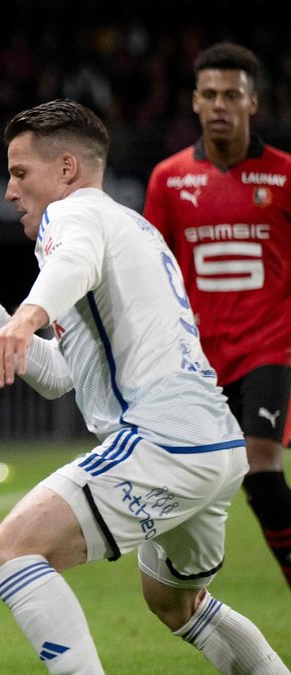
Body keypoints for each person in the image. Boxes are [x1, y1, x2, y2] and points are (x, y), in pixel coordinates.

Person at [0, 99, 287, 674]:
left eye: (19, 173)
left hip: (165, 437)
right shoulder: (131, 228)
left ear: (66, 169)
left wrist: (24, 321)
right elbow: (60, 377)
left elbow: (70, 260)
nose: (9, 191)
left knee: (7, 551)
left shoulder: (72, 216)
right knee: (176, 603)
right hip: (214, 443)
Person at [142, 42, 291, 593]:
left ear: (254, 102)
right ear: (194, 102)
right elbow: (152, 271)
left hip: (271, 348)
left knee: (261, 466)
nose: (220, 104)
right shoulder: (169, 179)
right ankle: (186, 599)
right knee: (188, 479)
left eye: (232, 94)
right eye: (210, 94)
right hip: (198, 358)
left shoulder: (286, 175)